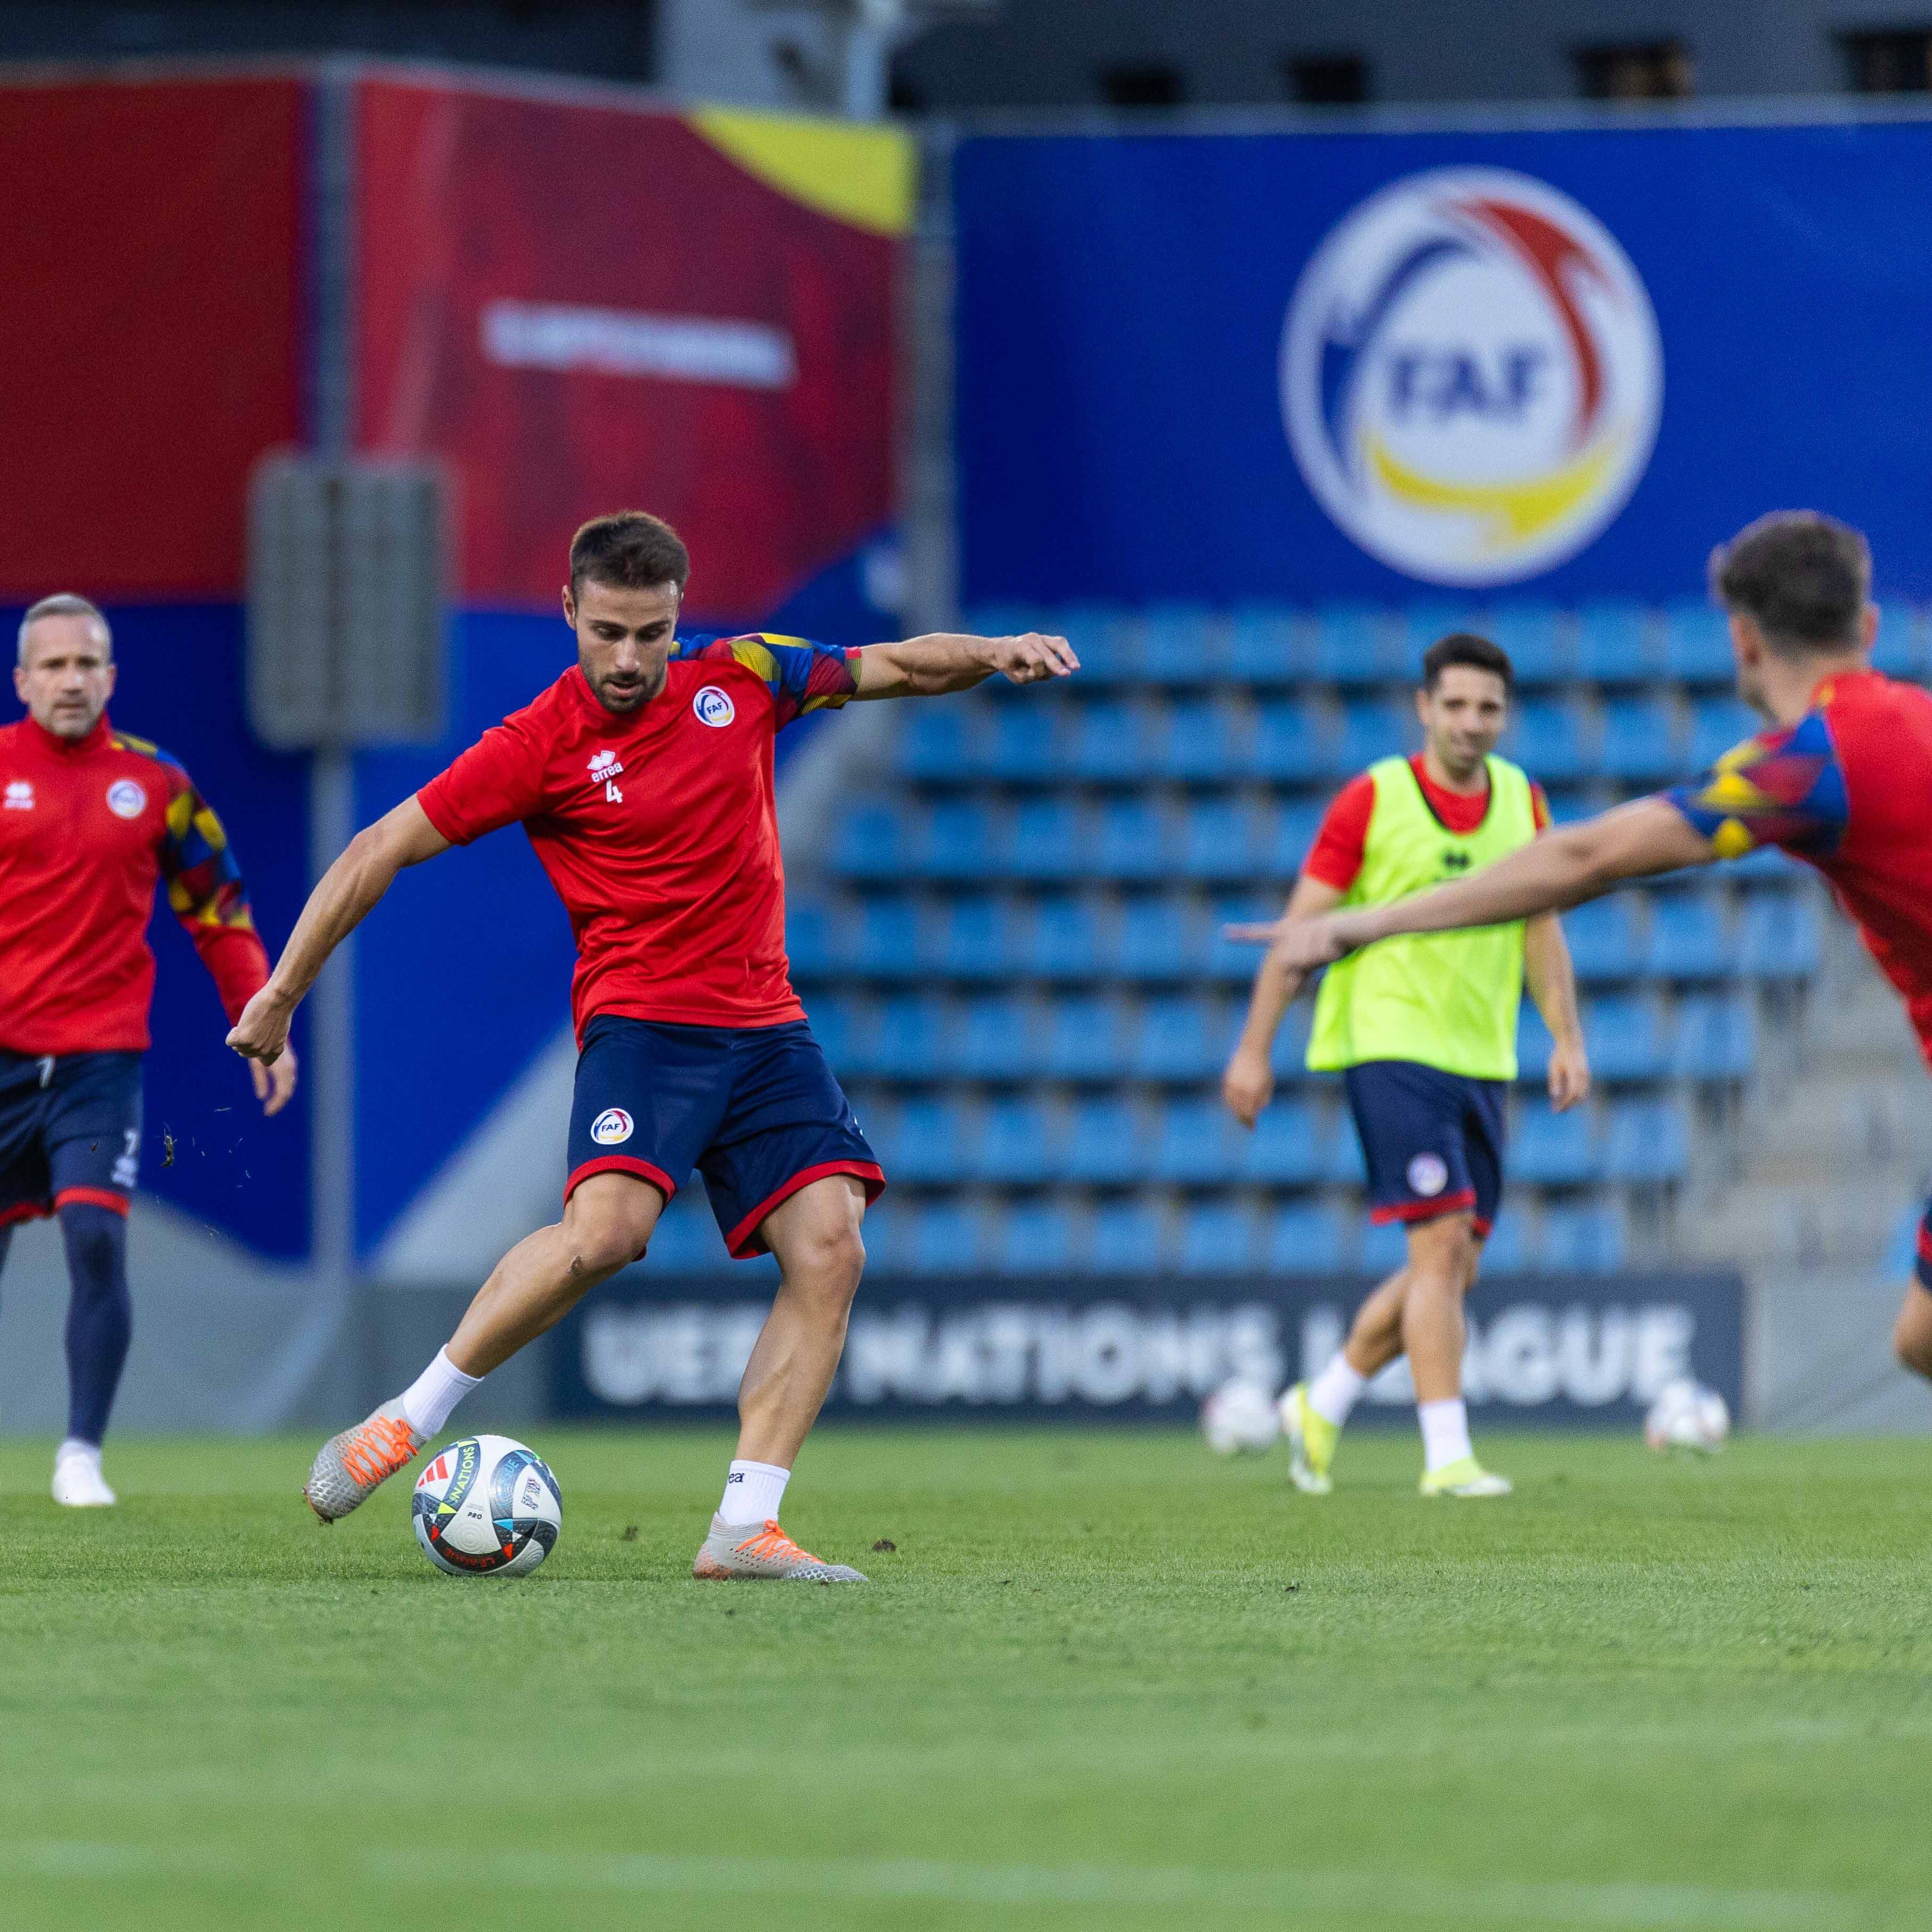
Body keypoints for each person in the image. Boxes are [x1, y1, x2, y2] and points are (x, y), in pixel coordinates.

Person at [230, 510, 1076, 1581]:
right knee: (606, 1235)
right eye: (610, 633)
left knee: (832, 1248)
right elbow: (377, 849)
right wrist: (281, 993)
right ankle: (408, 1417)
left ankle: (745, 1526)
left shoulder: (747, 677)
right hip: (645, 1025)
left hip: (767, 1026)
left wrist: (992, 655)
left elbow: (901, 665)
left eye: (652, 634)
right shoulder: (538, 745)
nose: (629, 659)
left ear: (679, 620)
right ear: (572, 613)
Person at [1238, 511, 1932, 1403]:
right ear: (1867, 630)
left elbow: (1586, 859)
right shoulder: (1909, 716)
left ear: (1743, 642)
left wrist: (1363, 925)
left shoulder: (1811, 766)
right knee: (1920, 1338)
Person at [1222, 633, 1588, 1499]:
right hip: (1388, 1044)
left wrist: (1566, 1035)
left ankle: (1324, 1399)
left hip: (1481, 1053)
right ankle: (1446, 1456)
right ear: (1424, 707)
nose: (1471, 722)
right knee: (1440, 1242)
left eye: (1488, 708)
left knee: (1453, 1263)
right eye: (1455, 705)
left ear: (1506, 715)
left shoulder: (1521, 802)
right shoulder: (1373, 800)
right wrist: (1252, 1048)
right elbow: (1301, 929)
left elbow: (1541, 925)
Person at [2, 595, 295, 1505]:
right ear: (22, 681)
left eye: (87, 663)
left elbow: (219, 909)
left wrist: (262, 1019)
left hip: (99, 1064)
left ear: (112, 677)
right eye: (52, 665)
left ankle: (81, 1455)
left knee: (95, 1239)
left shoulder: (159, 785)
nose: (71, 680)